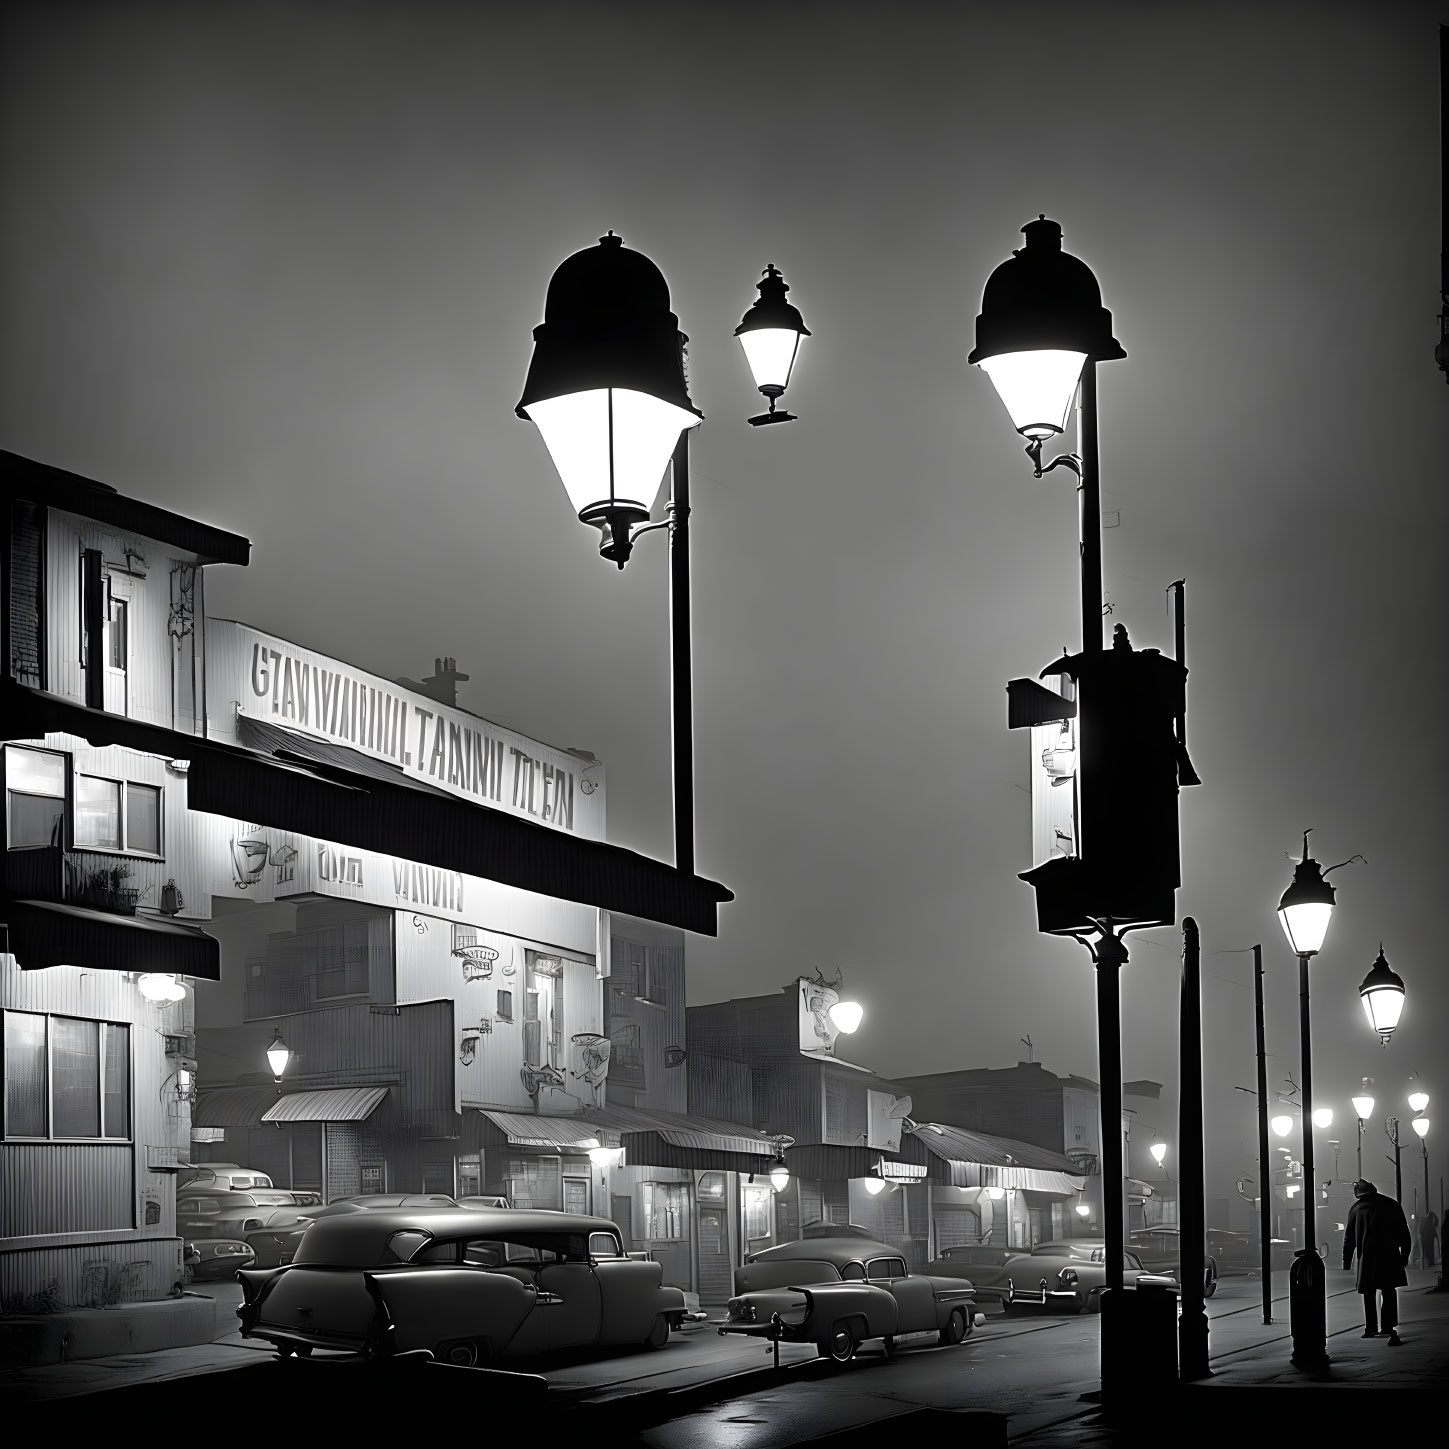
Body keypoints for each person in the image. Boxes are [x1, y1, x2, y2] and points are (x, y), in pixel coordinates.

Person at [1342, 1179, 1412, 1345]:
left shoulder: (1356, 1209)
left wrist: (1346, 1261)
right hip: (1389, 1256)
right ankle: (1387, 1327)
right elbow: (1405, 1234)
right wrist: (1404, 1256)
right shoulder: (1392, 1205)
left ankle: (1370, 1328)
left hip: (1367, 1258)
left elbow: (1349, 1238)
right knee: (1388, 1291)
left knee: (1368, 1293)